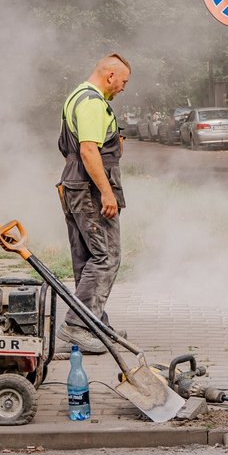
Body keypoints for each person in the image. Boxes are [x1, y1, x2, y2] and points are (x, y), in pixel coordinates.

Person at [56, 54, 132, 354]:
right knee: (106, 256)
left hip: (76, 184)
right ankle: (77, 326)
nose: (124, 87)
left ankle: (94, 322)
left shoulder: (77, 95)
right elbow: (89, 151)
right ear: (110, 75)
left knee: (87, 257)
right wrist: (107, 193)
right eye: (124, 81)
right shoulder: (91, 102)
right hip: (90, 188)